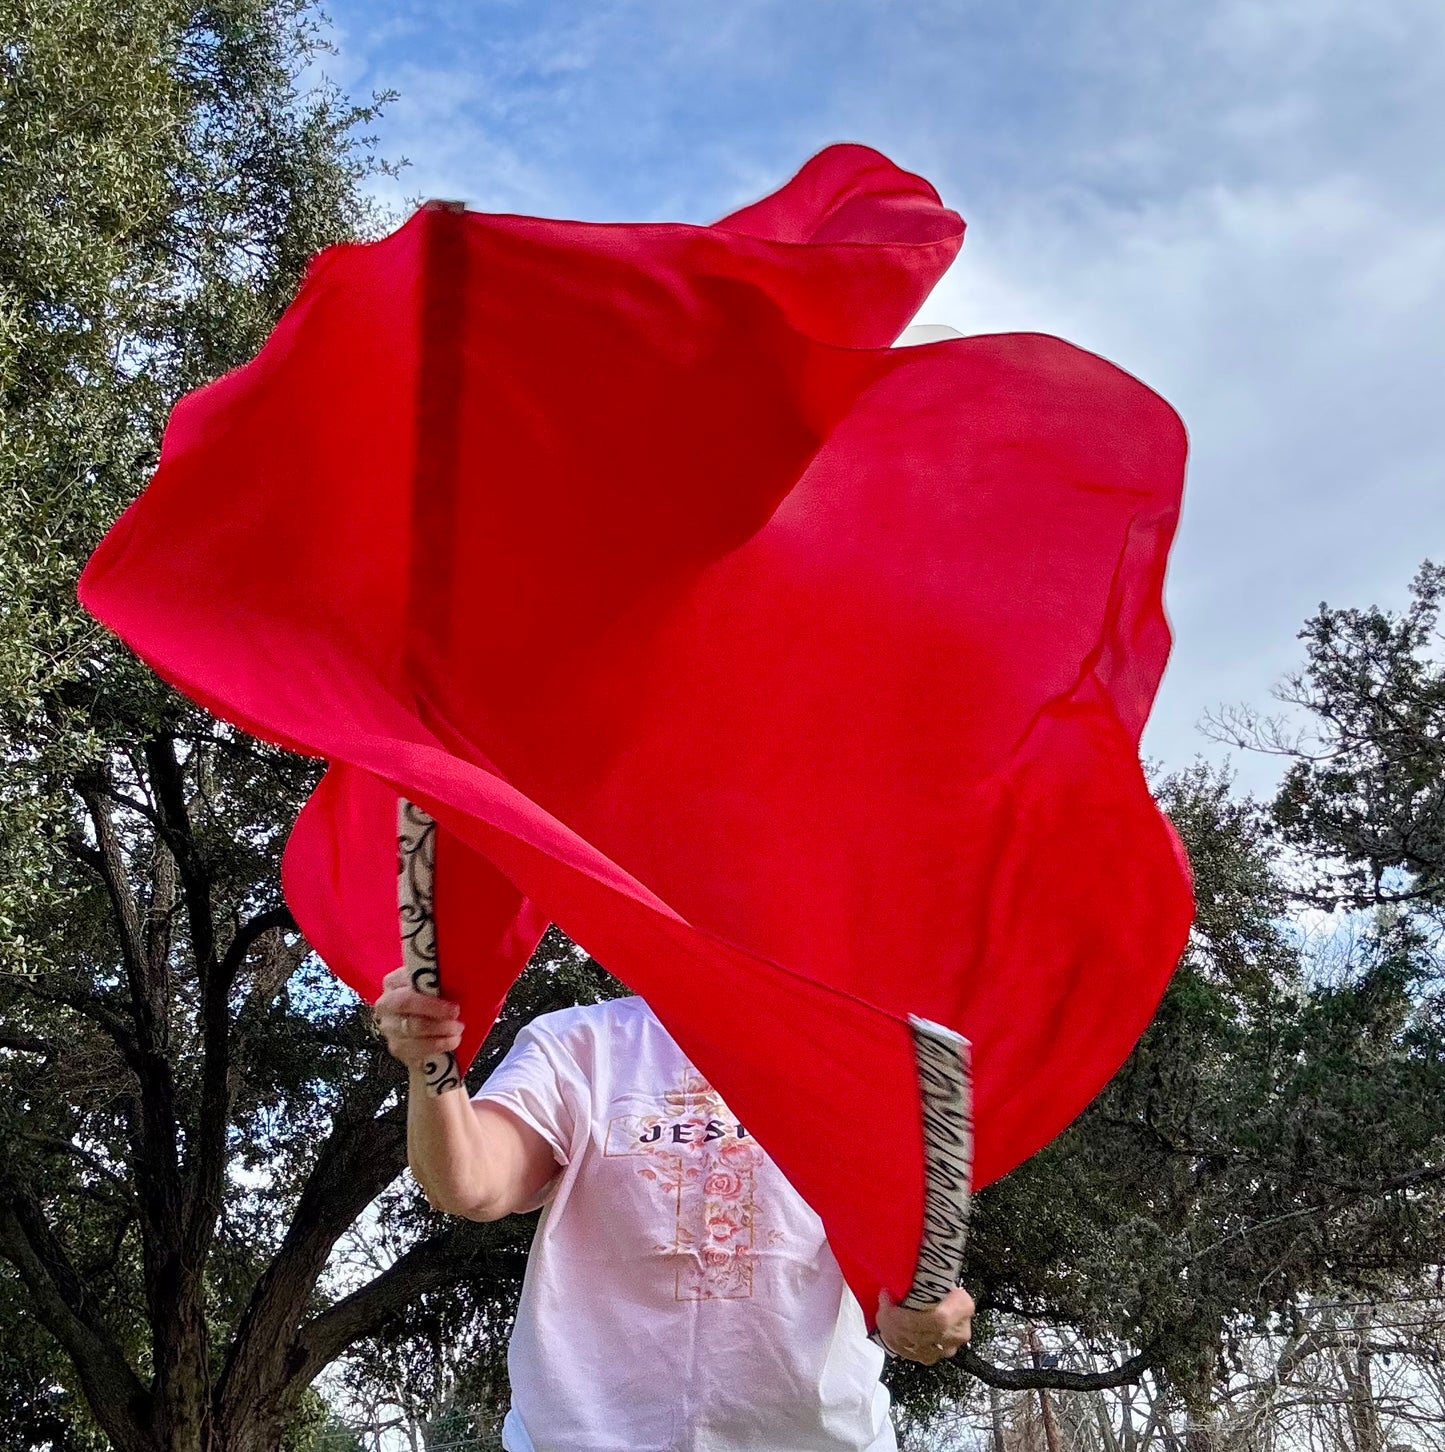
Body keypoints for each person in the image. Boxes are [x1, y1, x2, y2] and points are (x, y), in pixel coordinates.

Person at [374, 965, 977, 1452]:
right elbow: (471, 1182)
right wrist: (432, 1066)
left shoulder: (857, 1057)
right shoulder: (580, 1045)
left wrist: (920, 1315)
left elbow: (900, 1273)